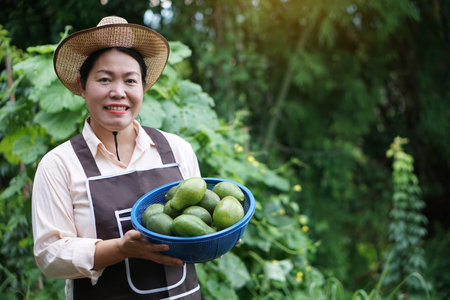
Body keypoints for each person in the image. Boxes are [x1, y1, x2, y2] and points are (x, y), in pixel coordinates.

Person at [32, 16, 202, 299]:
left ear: (143, 88)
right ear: (82, 86)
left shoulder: (176, 150)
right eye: (105, 79)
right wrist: (120, 249)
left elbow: (200, 220)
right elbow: (49, 255)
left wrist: (216, 238)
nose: (118, 92)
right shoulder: (59, 164)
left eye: (130, 80)